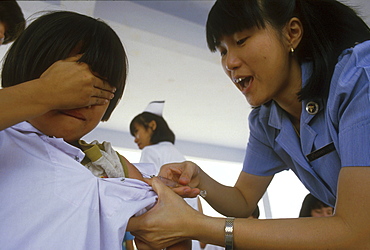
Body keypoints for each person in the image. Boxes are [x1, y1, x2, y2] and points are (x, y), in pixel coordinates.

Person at [127, 0, 370, 248]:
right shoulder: (267, 121)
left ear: (291, 33)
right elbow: (243, 201)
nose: (230, 63)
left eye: (241, 41)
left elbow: (357, 230)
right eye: (222, 51)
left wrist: (196, 225)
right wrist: (199, 179)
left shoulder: (359, 77)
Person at [0, 11, 189, 250]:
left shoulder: (107, 162)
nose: (83, 98)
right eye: (71, 82)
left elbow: (174, 233)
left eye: (100, 89)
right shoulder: (6, 136)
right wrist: (43, 92)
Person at [130, 100, 203, 250]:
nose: (135, 138)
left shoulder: (150, 151)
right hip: (191, 228)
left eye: (137, 131)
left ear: (152, 126)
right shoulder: (176, 154)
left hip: (170, 227)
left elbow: (146, 190)